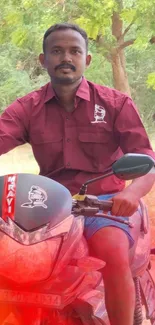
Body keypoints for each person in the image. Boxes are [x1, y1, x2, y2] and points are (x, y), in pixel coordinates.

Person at [0, 22, 155, 325]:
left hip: (105, 203)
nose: (65, 58)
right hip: (49, 207)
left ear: (87, 59)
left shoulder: (114, 103)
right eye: (56, 51)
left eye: (74, 51)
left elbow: (148, 159)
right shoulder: (27, 107)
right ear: (43, 60)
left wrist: (130, 193)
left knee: (112, 254)